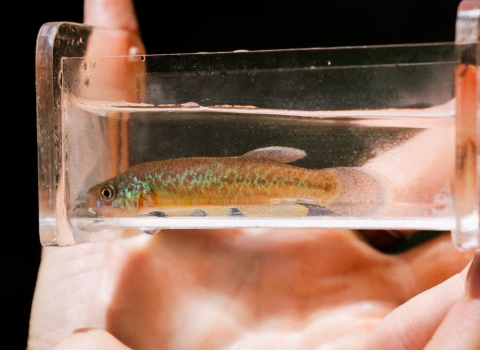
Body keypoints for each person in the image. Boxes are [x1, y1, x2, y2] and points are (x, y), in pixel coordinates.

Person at [28, 0, 480, 349]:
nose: (101, 201)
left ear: (137, 192)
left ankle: (334, 186)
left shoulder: (145, 187)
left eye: (108, 194)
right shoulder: (141, 201)